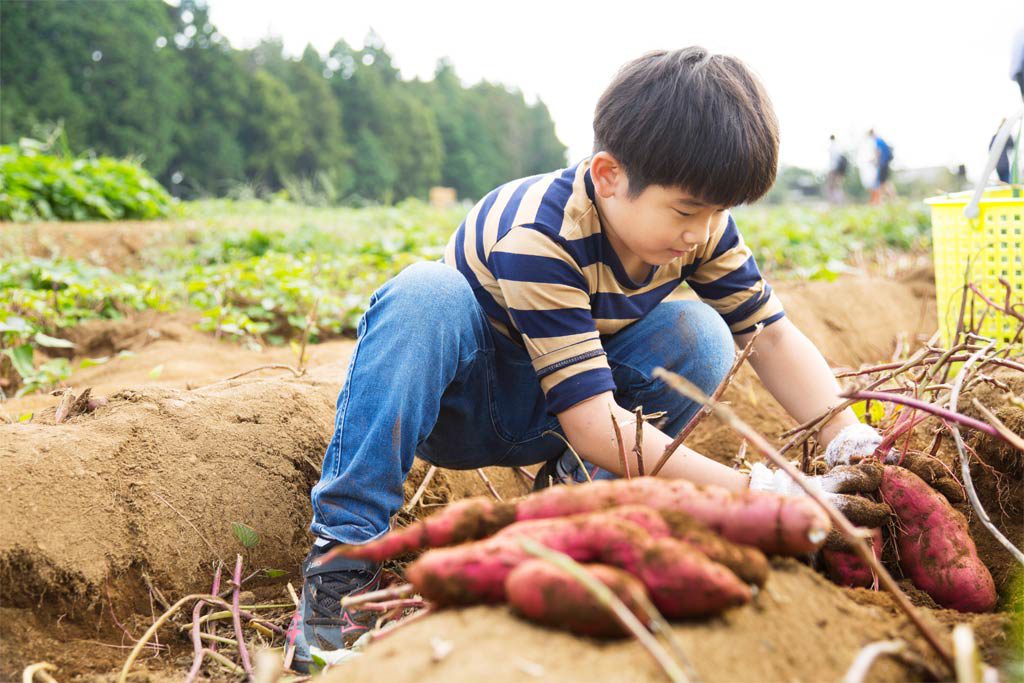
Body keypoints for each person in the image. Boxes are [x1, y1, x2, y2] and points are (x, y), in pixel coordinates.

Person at [286, 48, 887, 668]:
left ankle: (572, 507)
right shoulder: (538, 236)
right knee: (423, 294)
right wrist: (755, 491)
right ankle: (344, 559)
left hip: (566, 402)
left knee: (701, 333)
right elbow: (594, 422)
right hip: (467, 405)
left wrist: (847, 435)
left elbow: (776, 339)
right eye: (686, 211)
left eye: (717, 213)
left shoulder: (697, 231)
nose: (701, 234)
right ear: (607, 176)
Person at [868, 129, 896, 204]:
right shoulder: (881, 140)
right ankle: (890, 199)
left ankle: (883, 201)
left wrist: (875, 161)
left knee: (882, 183)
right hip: (885, 164)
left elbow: (878, 152)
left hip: (882, 164)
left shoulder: (877, 141)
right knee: (884, 182)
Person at [826, 134, 848, 203]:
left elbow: (833, 160)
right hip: (839, 170)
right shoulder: (838, 146)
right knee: (837, 185)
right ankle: (839, 200)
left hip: (834, 169)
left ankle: (835, 201)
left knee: (832, 186)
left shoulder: (832, 147)